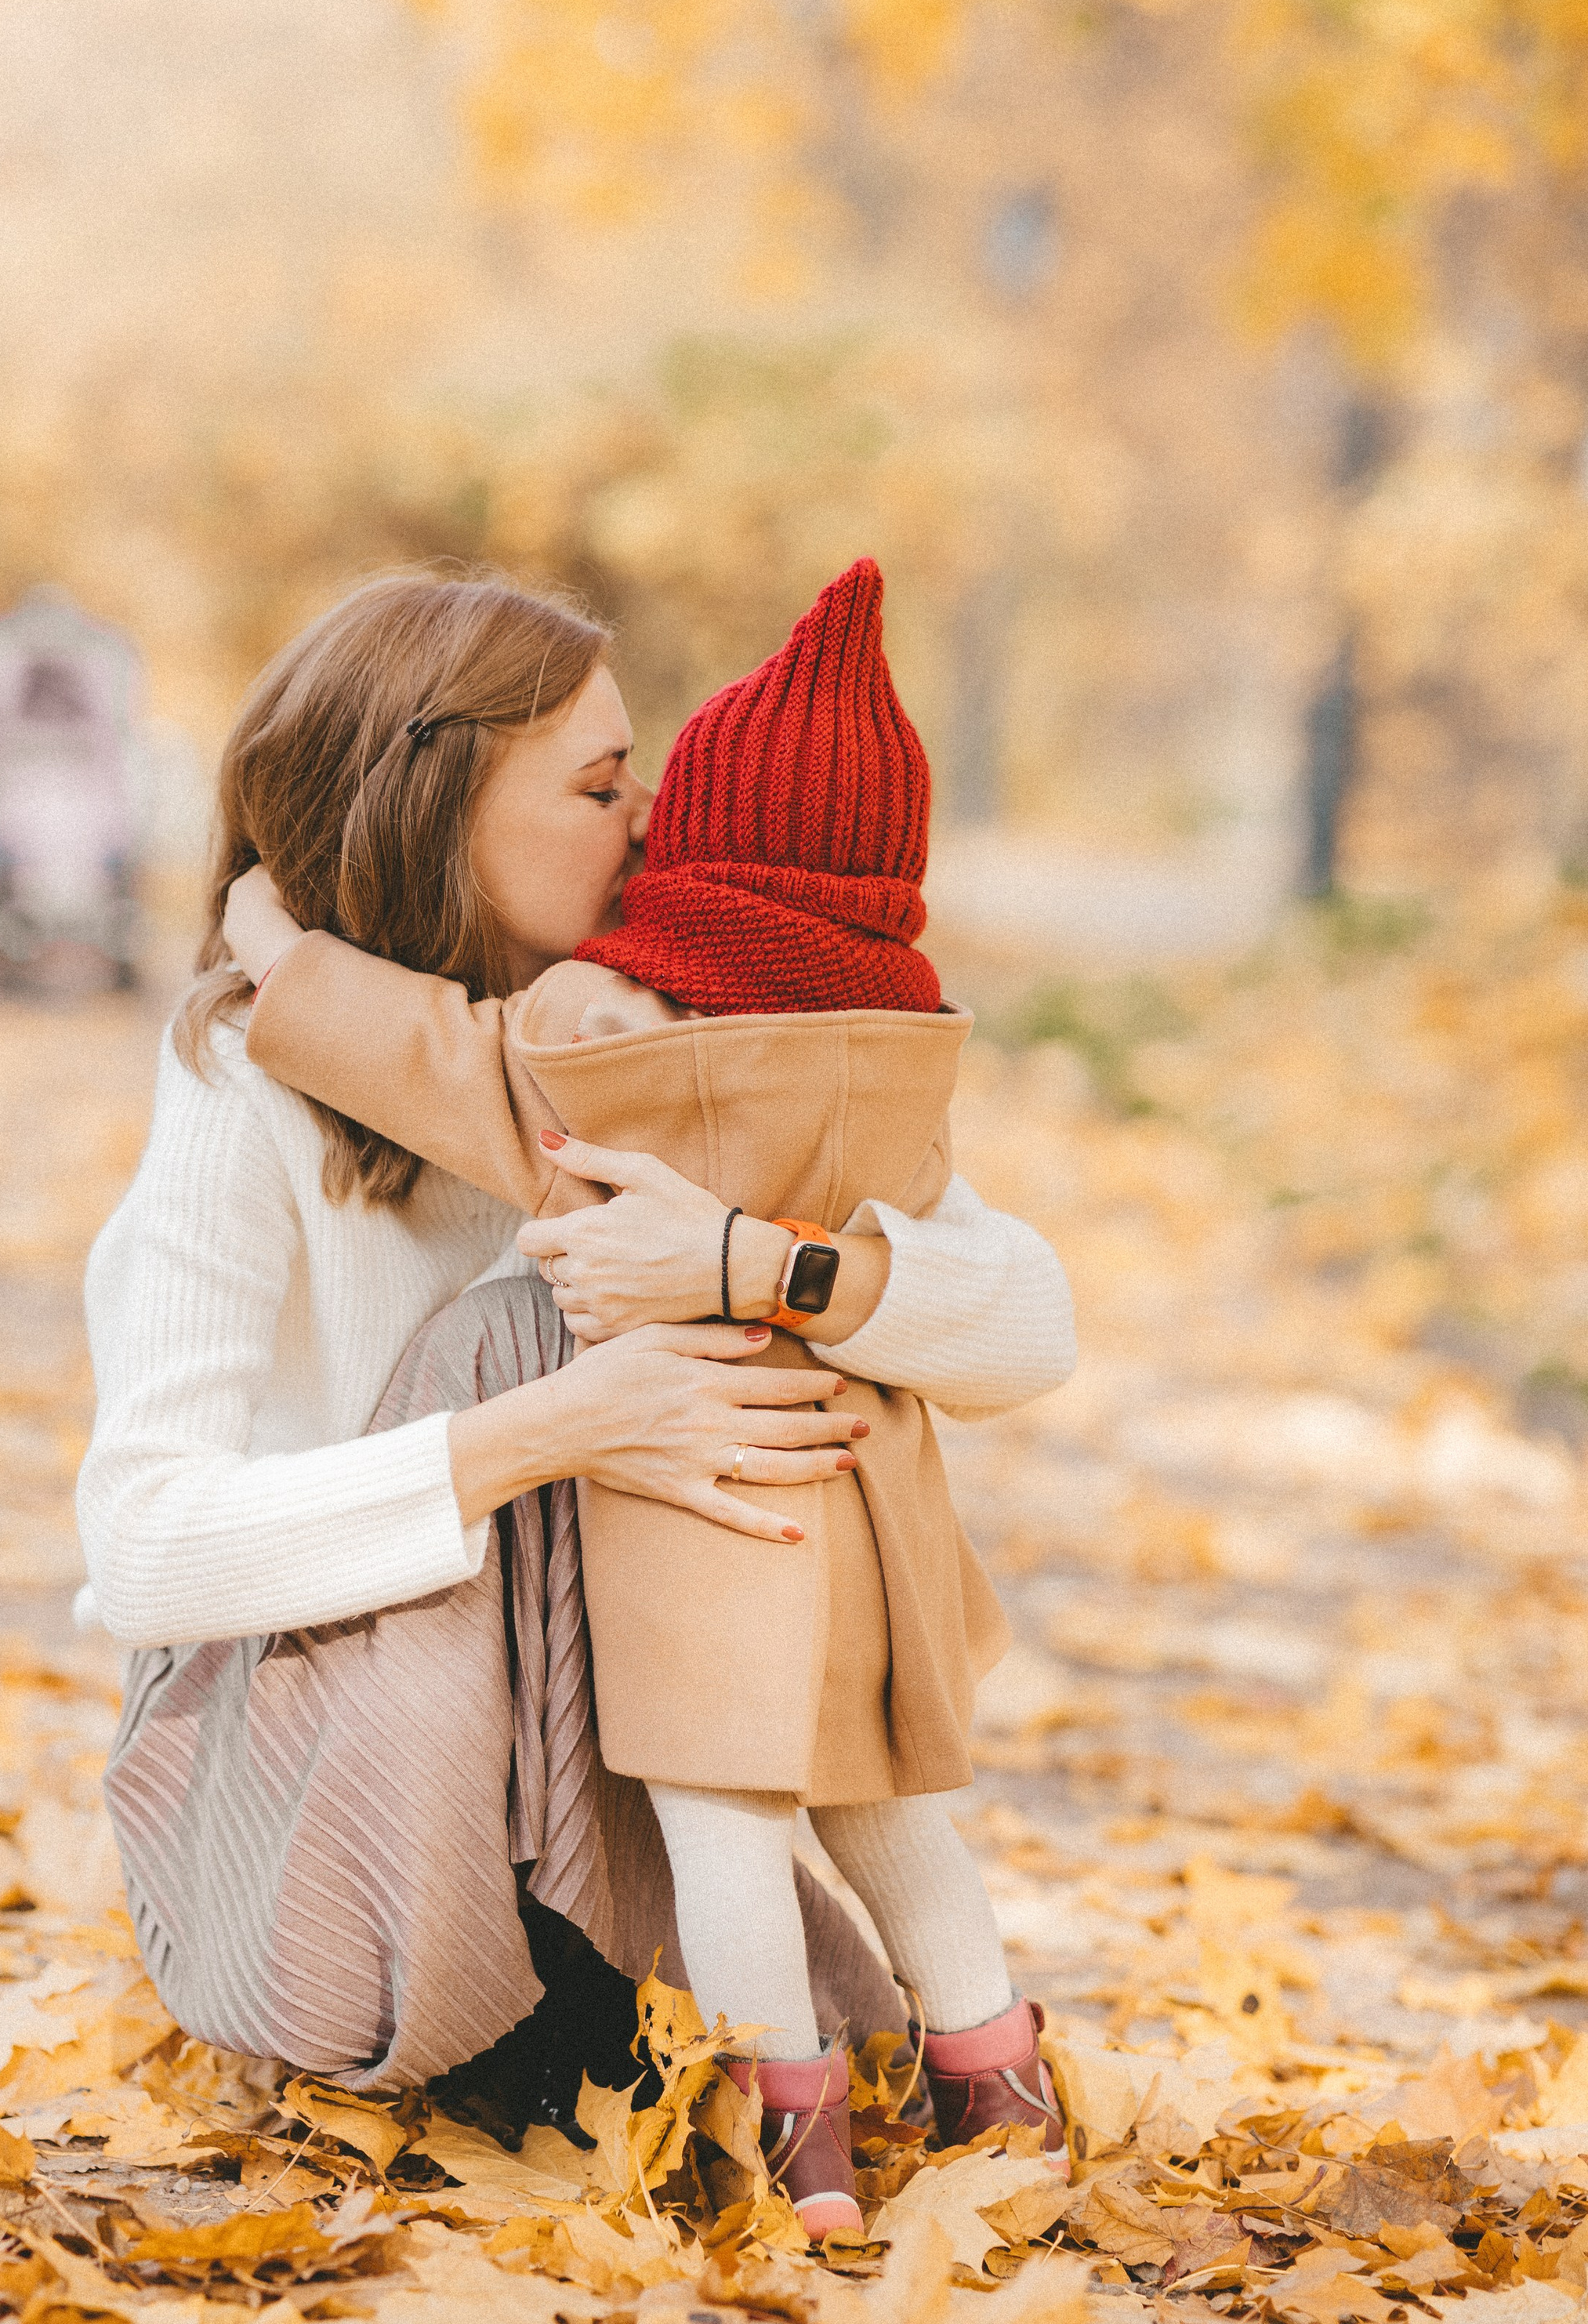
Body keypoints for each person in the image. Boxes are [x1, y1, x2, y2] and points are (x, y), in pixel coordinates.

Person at [79, 567, 1072, 2183]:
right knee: (522, 1331)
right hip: (299, 1751)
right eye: (602, 786)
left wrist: (751, 1265)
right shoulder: (243, 1082)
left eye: (650, 775)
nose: (651, 826)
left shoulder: (682, 1053)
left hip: (584, 1735)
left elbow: (1026, 1324)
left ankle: (767, 2061)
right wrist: (559, 1431)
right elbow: (145, 1548)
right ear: (431, 805)